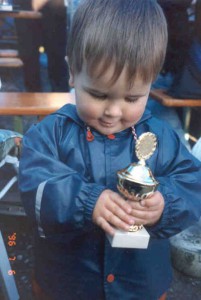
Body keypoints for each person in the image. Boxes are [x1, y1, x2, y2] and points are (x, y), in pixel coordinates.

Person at [18, 1, 201, 299]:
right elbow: (34, 186)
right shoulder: (50, 134)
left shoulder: (161, 138)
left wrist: (164, 203)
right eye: (98, 94)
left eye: (132, 98)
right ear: (73, 72)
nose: (113, 112)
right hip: (69, 283)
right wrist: (87, 201)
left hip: (141, 285)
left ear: (151, 83)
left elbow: (192, 182)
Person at [13, 0, 69, 92]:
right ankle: (32, 100)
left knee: (57, 58)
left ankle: (61, 100)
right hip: (24, 5)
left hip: (52, 6)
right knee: (28, 57)